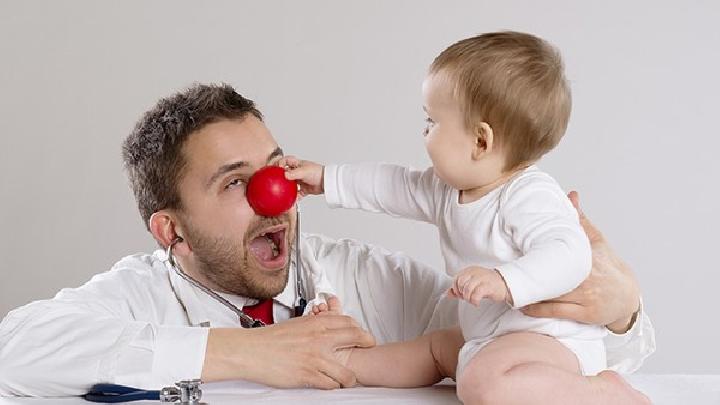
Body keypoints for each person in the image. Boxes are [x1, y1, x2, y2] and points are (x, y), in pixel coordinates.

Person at [0, 83, 654, 397]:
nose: (273, 198)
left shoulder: (376, 280)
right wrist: (243, 353)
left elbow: (520, 350)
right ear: (172, 230)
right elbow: (16, 350)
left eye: (275, 169)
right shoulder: (135, 293)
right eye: (235, 184)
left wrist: (620, 313)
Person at [284, 32, 651, 404]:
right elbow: (391, 185)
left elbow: (569, 254)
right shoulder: (447, 190)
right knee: (435, 349)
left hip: (549, 342)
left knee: (482, 384)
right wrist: (328, 179)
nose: (424, 132)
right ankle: (347, 362)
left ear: (480, 141)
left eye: (432, 121)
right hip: (491, 334)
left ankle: (600, 391)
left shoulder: (528, 194)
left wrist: (504, 280)